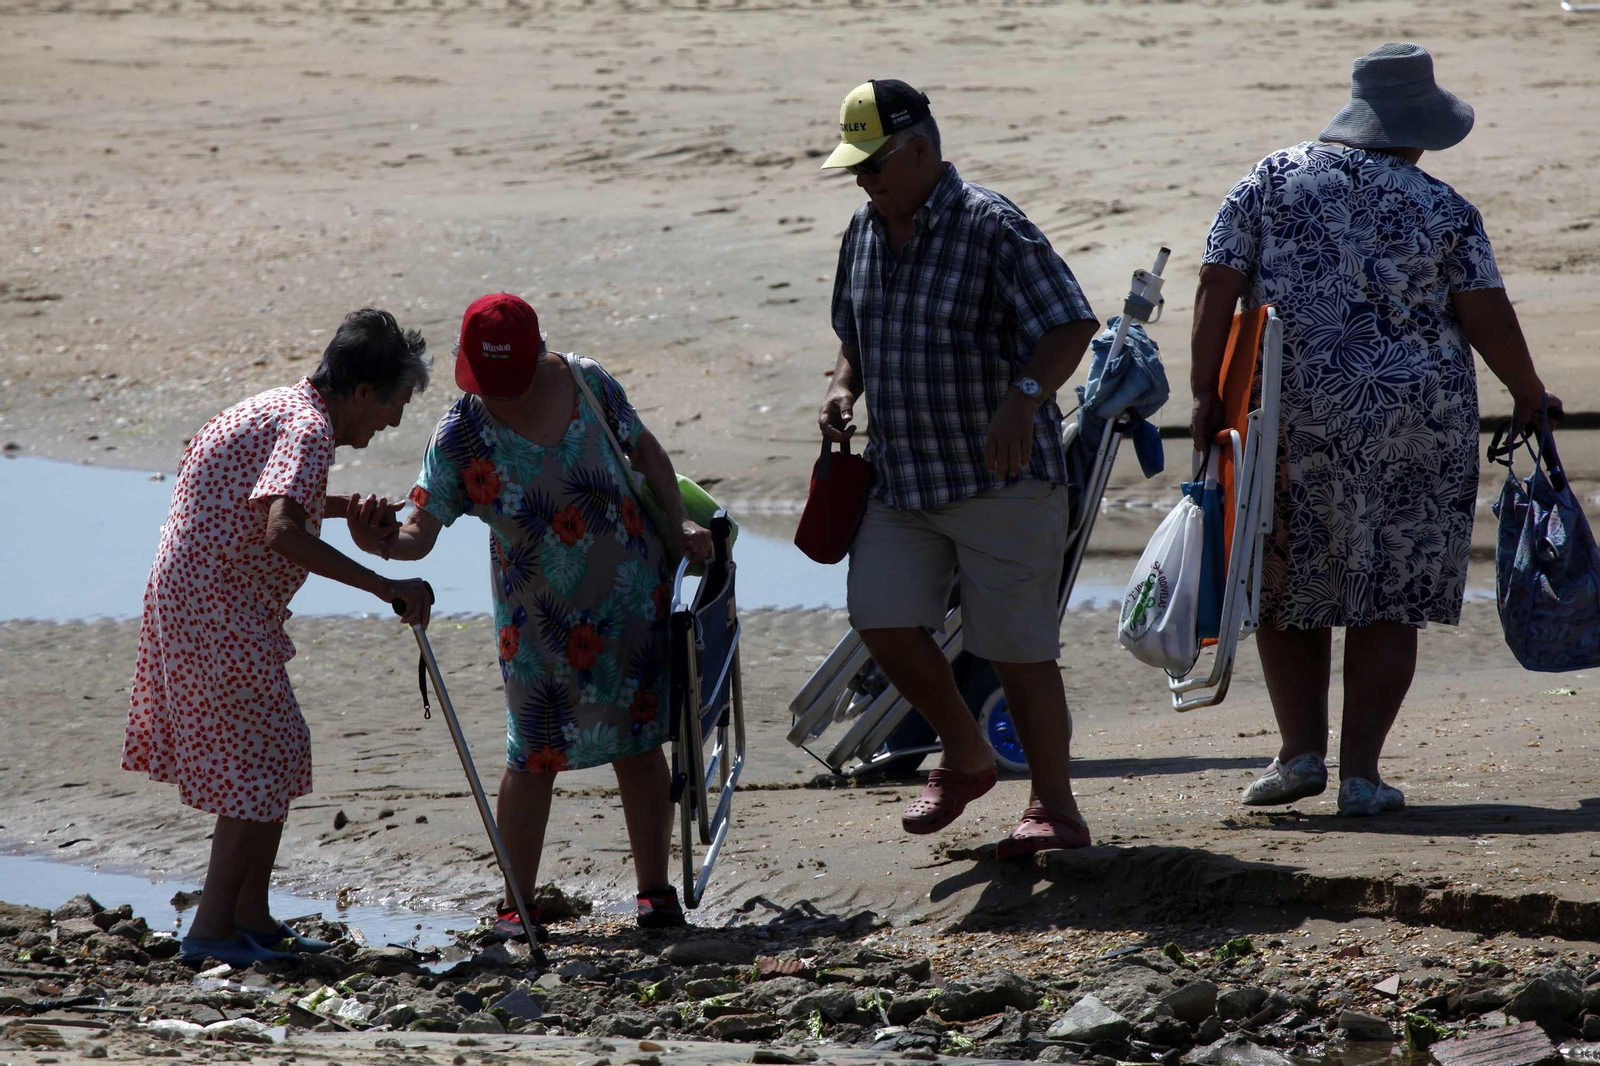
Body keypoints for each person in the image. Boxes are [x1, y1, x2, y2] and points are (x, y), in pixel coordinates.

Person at [1190, 43, 1563, 817]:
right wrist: (1528, 391)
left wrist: (1205, 393)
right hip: (1417, 420)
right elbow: (1484, 311)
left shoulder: (1269, 177)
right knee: (1390, 592)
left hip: (1290, 413)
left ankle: (1299, 756)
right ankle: (1361, 774)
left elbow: (1217, 281)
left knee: (1287, 583)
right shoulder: (1443, 207)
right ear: (1417, 128)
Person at [352, 293, 712, 932]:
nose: (501, 395)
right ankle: (515, 905)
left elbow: (647, 451)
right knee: (534, 754)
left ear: (539, 354)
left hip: (630, 598)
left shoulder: (586, 380)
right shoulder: (461, 432)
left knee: (637, 742)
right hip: (537, 622)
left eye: (511, 381)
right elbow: (419, 534)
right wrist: (379, 542)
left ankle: (655, 894)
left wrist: (681, 518)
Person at [815, 79, 1100, 858]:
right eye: (856, 170)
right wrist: (843, 389)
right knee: (880, 618)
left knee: (1018, 648)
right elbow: (854, 336)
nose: (865, 181)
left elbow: (1071, 322)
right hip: (902, 479)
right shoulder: (864, 231)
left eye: (873, 166)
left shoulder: (991, 224)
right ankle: (968, 752)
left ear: (919, 151)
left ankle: (1055, 809)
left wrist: (1024, 398)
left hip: (1002, 478)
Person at [122, 309, 434, 965]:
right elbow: (283, 532)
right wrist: (385, 586)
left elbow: (262, 501)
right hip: (216, 605)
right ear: (361, 393)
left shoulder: (286, 409)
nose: (394, 422)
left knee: (276, 749)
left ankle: (251, 919)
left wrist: (352, 511)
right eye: (395, 404)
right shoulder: (309, 428)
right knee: (259, 759)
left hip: (203, 598)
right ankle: (210, 932)